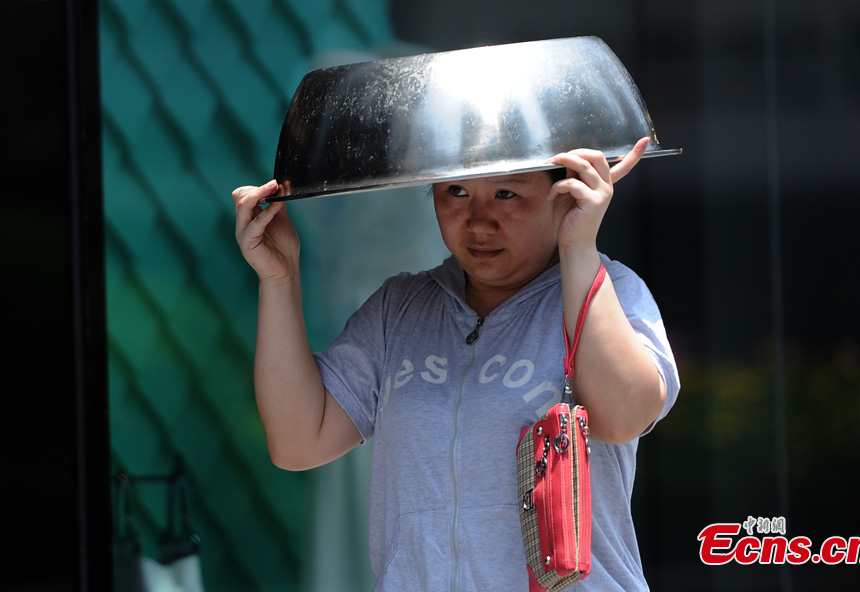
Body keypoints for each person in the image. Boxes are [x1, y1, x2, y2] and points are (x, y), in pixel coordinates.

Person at [233, 136, 679, 591]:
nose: (479, 221)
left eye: (507, 193)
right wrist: (279, 277)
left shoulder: (613, 289)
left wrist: (579, 247)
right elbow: (297, 442)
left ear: (563, 194)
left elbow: (624, 417)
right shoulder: (400, 308)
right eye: (456, 192)